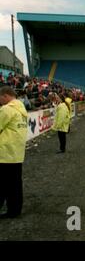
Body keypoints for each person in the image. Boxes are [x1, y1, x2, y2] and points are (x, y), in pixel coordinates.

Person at [0, 86, 28, 218]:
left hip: (4, 152)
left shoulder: (7, 109)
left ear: (5, 96)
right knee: (15, 184)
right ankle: (15, 210)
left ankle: (10, 210)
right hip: (17, 153)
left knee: (3, 183)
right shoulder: (21, 110)